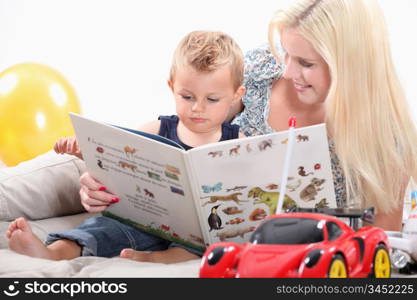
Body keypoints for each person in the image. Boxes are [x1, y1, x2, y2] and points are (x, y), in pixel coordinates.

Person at [6, 30, 246, 263]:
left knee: (211, 240)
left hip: (199, 231)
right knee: (102, 228)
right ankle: (54, 252)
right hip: (148, 220)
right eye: (187, 96)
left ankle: (156, 259)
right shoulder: (156, 128)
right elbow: (113, 155)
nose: (197, 108)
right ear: (172, 86)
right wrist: (82, 151)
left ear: (236, 95)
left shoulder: (239, 141)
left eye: (212, 99)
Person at [229, 0, 417, 231]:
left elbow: (381, 238)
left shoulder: (386, 138)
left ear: (349, 66)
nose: (287, 71)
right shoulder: (259, 69)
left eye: (306, 63)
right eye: (285, 52)